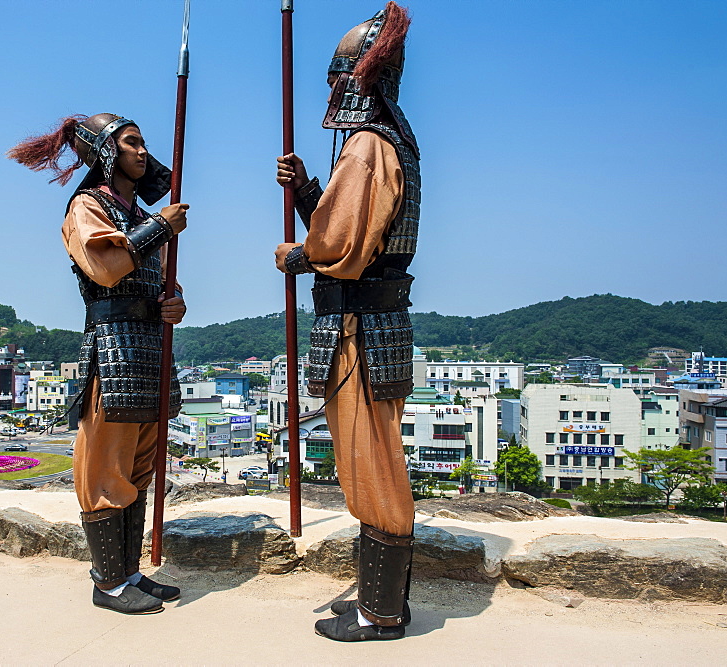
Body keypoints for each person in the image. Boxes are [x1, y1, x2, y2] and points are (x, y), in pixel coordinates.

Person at [274, 2, 419, 642]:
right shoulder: (383, 144)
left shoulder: (366, 145)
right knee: (368, 461)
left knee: (374, 465)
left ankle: (382, 612)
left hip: (362, 327)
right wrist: (309, 191)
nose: (330, 89)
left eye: (336, 76)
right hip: (366, 323)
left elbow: (343, 248)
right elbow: (353, 223)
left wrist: (297, 255)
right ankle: (374, 599)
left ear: (353, 77)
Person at [9, 113, 188, 615]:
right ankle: (107, 584)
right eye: (131, 142)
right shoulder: (87, 205)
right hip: (112, 347)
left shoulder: (132, 209)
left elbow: (153, 282)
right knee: (105, 467)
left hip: (149, 346)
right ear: (107, 152)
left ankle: (128, 573)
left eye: (143, 142)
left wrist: (171, 301)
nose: (142, 151)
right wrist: (160, 226)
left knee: (138, 466)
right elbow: (107, 268)